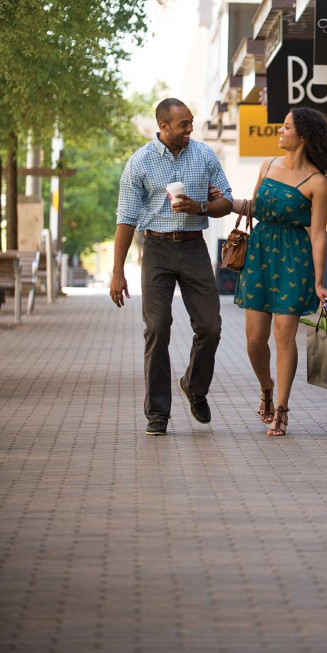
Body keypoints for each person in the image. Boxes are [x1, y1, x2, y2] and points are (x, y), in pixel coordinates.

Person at [110, 98, 233, 436]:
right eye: (184, 125)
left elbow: (226, 201)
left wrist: (201, 207)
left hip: (194, 246)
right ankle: (157, 412)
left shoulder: (204, 155)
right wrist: (118, 270)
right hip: (157, 249)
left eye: (191, 122)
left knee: (210, 327)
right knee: (157, 327)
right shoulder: (140, 162)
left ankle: (194, 386)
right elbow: (126, 219)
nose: (190, 130)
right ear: (163, 127)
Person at [220, 108, 327, 437]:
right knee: (254, 340)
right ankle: (266, 388)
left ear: (302, 136)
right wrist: (225, 202)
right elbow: (257, 208)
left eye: (286, 128)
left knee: (284, 336)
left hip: (294, 258)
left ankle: (283, 409)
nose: (280, 131)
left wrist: (318, 282)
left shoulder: (318, 181)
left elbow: (318, 233)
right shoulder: (268, 165)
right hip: (260, 252)